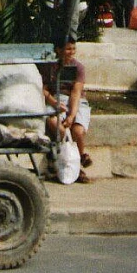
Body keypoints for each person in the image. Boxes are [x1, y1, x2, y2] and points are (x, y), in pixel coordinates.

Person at [43, 37, 92, 184]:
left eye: (73, 49)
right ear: (59, 50)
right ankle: (65, 162)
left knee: (77, 131)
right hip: (56, 99)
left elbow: (76, 93)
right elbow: (43, 90)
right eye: (68, 49)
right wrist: (54, 102)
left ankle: (81, 157)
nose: (71, 52)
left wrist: (71, 115)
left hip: (75, 102)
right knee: (59, 128)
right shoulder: (50, 67)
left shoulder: (78, 68)